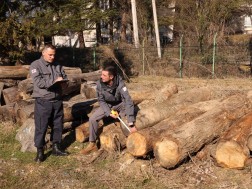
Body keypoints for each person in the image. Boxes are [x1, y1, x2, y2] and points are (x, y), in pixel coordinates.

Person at [80, 61, 137, 155]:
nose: (101, 76)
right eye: (101, 74)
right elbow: (101, 100)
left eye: (104, 75)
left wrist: (131, 121)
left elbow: (128, 100)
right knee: (92, 119)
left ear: (111, 77)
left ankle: (130, 143)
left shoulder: (120, 83)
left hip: (120, 104)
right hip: (107, 105)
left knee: (125, 122)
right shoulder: (99, 84)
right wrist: (109, 112)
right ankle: (92, 144)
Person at [30, 44, 69, 162]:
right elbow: (39, 82)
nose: (52, 57)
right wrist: (54, 81)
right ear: (43, 53)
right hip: (43, 101)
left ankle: (56, 147)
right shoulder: (35, 65)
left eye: (54, 55)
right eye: (50, 55)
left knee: (58, 125)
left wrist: (63, 81)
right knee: (41, 127)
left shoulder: (57, 65)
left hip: (57, 100)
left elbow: (64, 76)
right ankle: (40, 151)